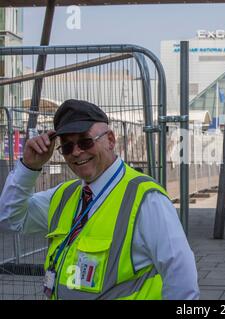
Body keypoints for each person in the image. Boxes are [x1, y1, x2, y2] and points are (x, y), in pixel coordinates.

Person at [0, 99, 199, 300]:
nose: (77, 152)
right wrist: (28, 168)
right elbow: (9, 218)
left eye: (85, 141)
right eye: (67, 147)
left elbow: (181, 279)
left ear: (110, 140)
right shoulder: (63, 195)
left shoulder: (146, 198)